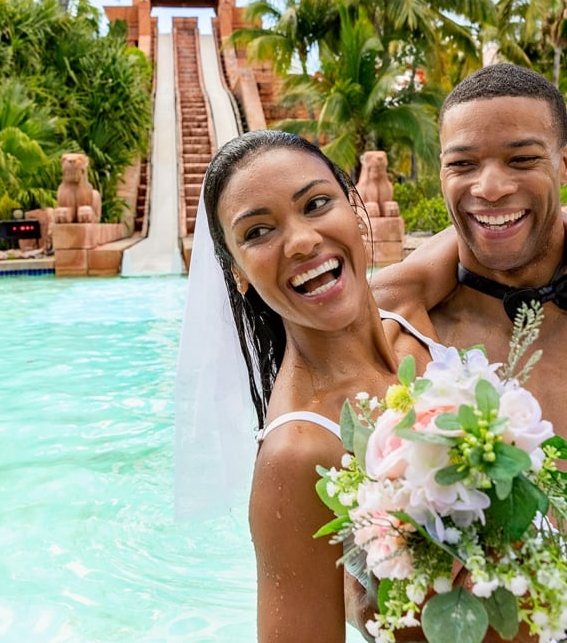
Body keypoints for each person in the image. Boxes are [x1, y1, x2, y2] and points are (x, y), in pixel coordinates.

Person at [185, 129, 439, 643]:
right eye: (258, 232)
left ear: (353, 205)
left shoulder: (411, 304)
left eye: (317, 203)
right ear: (237, 272)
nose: (301, 241)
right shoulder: (298, 454)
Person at [371, 61, 567, 438]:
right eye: (462, 164)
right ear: (442, 174)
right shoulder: (406, 341)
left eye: (522, 159)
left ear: (563, 166)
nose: (490, 188)